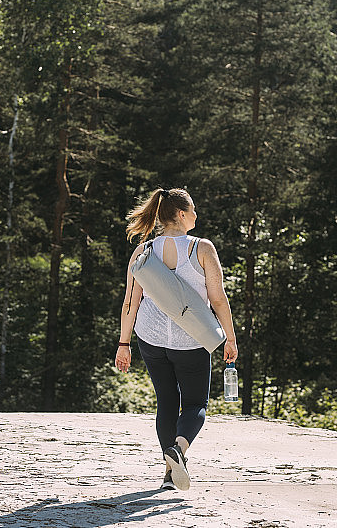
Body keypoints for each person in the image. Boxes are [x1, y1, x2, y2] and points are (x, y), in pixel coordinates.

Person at [115, 187, 238, 491]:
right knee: (195, 404)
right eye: (193, 210)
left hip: (151, 339)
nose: (196, 214)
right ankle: (178, 450)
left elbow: (130, 302)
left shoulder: (143, 251)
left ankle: (170, 474)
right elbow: (218, 299)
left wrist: (124, 344)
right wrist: (230, 338)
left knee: (166, 402)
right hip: (192, 339)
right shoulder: (202, 248)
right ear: (182, 215)